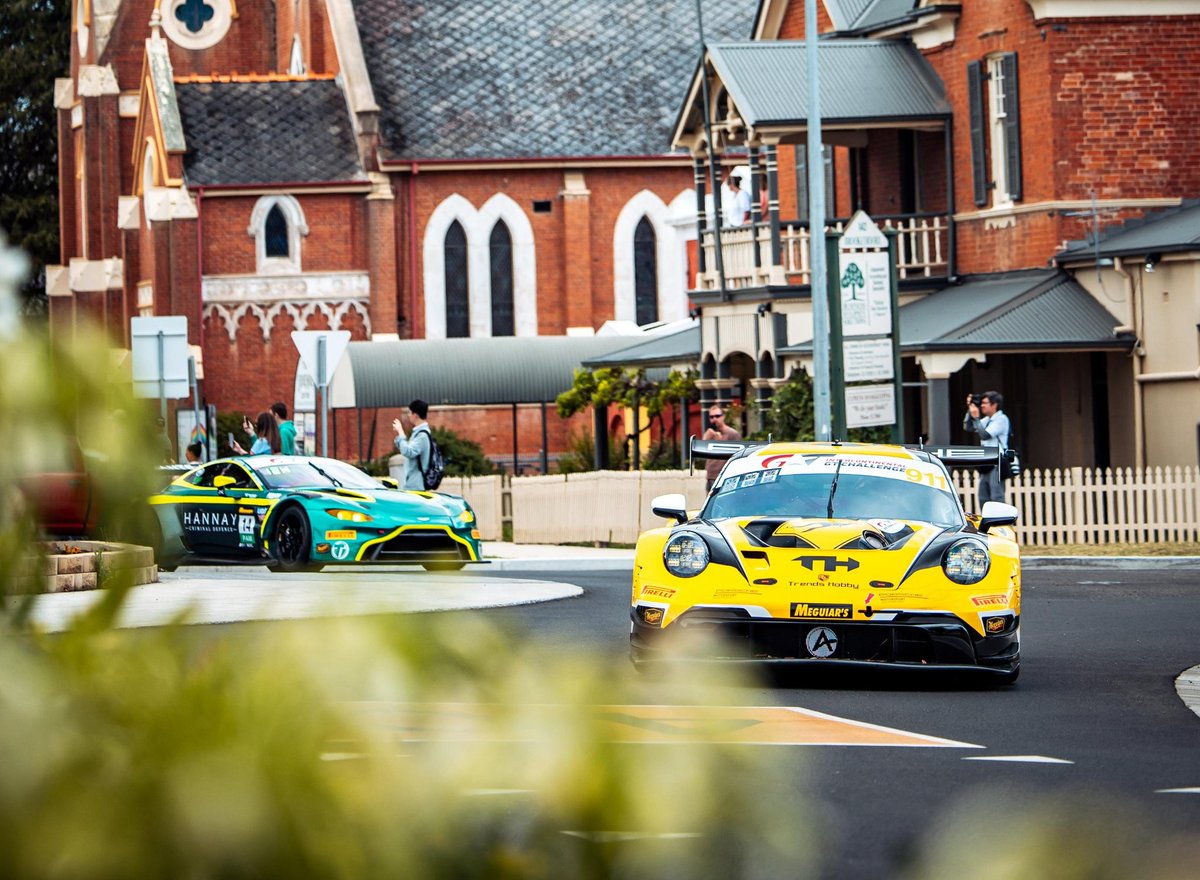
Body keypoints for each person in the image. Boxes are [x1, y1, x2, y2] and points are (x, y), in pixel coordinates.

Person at [963, 391, 1011, 504]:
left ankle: (1000, 521)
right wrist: (970, 409)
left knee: (996, 496)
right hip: (987, 462)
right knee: (983, 497)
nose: (982, 406)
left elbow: (984, 435)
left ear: (994, 405)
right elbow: (968, 427)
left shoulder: (1001, 419)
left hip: (997, 463)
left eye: (985, 403)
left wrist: (976, 418)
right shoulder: (988, 420)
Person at [392, 398, 433, 490]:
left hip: (416, 486)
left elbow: (408, 452)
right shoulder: (419, 433)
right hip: (413, 484)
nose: (408, 415)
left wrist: (401, 432)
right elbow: (405, 448)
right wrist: (399, 436)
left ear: (415, 415)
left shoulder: (422, 435)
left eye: (409, 413)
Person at [702, 404, 741, 492]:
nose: (714, 419)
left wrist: (720, 442)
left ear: (723, 417)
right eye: (711, 417)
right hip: (710, 476)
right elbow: (702, 454)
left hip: (724, 476)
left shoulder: (732, 434)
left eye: (717, 416)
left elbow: (737, 455)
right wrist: (705, 439)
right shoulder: (710, 433)